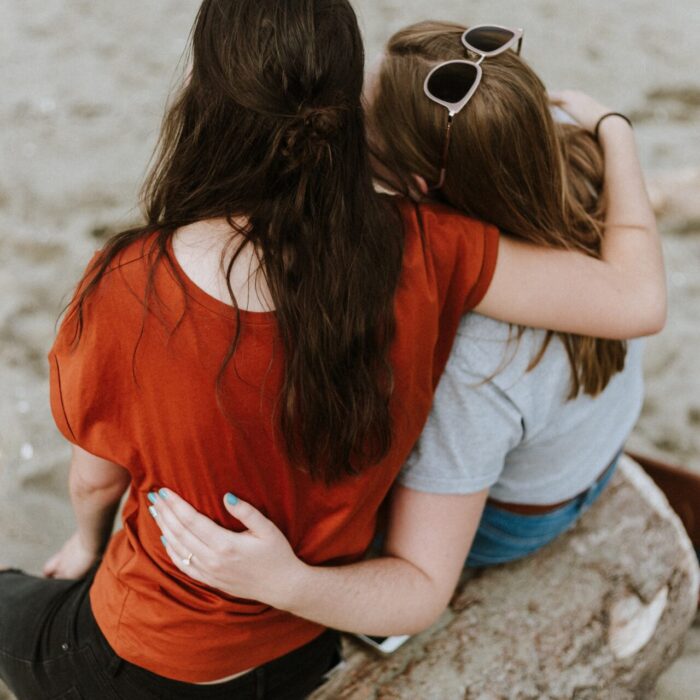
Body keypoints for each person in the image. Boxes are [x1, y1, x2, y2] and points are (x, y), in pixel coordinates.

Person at [0, 9, 664, 700]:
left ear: (206, 97)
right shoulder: (431, 244)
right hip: (304, 648)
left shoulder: (127, 282)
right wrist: (613, 128)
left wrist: (85, 544)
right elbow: (635, 300)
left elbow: (95, 482)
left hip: (154, 659)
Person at [146, 20, 670, 640]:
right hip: (591, 447)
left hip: (520, 516)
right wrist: (613, 130)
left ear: (417, 189)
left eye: (359, 118)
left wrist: (288, 582)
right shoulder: (565, 150)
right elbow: (640, 285)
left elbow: (422, 587)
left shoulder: (474, 354)